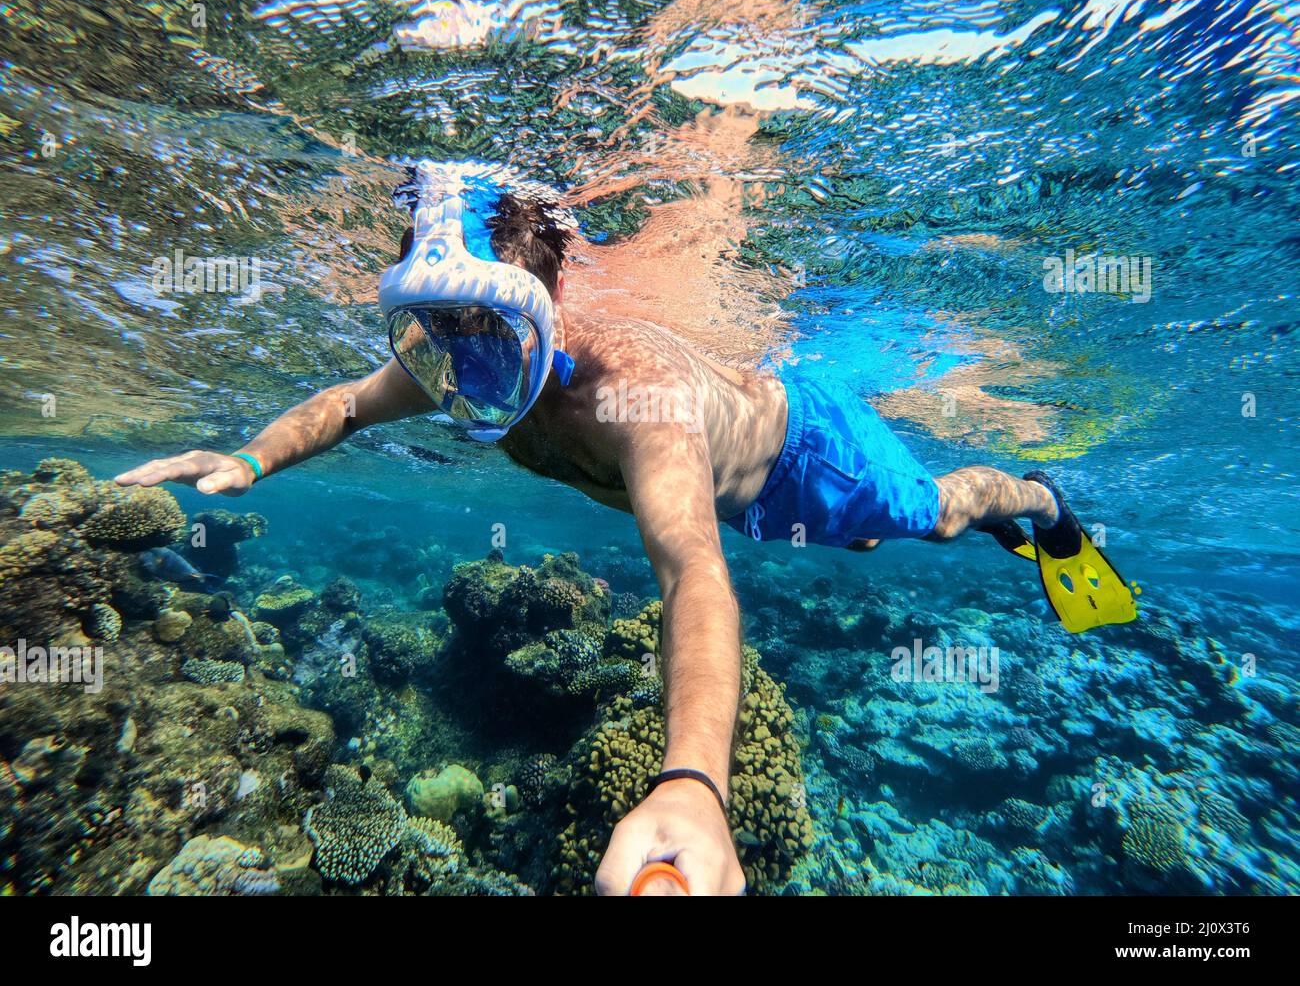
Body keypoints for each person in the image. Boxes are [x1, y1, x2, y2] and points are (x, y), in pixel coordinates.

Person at [116, 160, 1133, 896]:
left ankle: (1038, 501)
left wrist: (692, 784)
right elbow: (342, 404)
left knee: (931, 520)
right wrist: (247, 459)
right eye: (437, 327)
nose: (463, 364)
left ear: (549, 299)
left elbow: (692, 571)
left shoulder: (631, 395)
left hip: (807, 458)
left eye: (486, 327)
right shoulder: (448, 350)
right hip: (746, 494)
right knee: (865, 549)